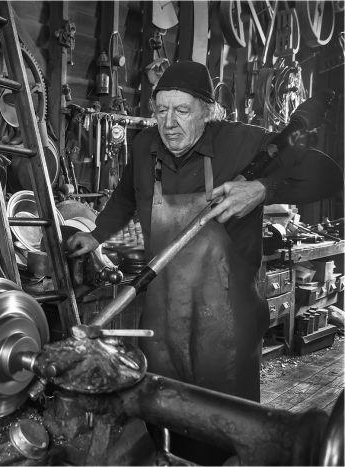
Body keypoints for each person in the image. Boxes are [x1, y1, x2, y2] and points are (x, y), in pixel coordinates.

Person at [67, 61, 342, 401]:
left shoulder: (243, 143)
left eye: (182, 111)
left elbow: (329, 177)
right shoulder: (145, 146)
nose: (169, 123)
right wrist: (96, 234)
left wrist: (262, 189)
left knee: (223, 419)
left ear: (207, 112)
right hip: (162, 322)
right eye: (161, 110)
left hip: (227, 326)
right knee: (162, 412)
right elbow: (125, 196)